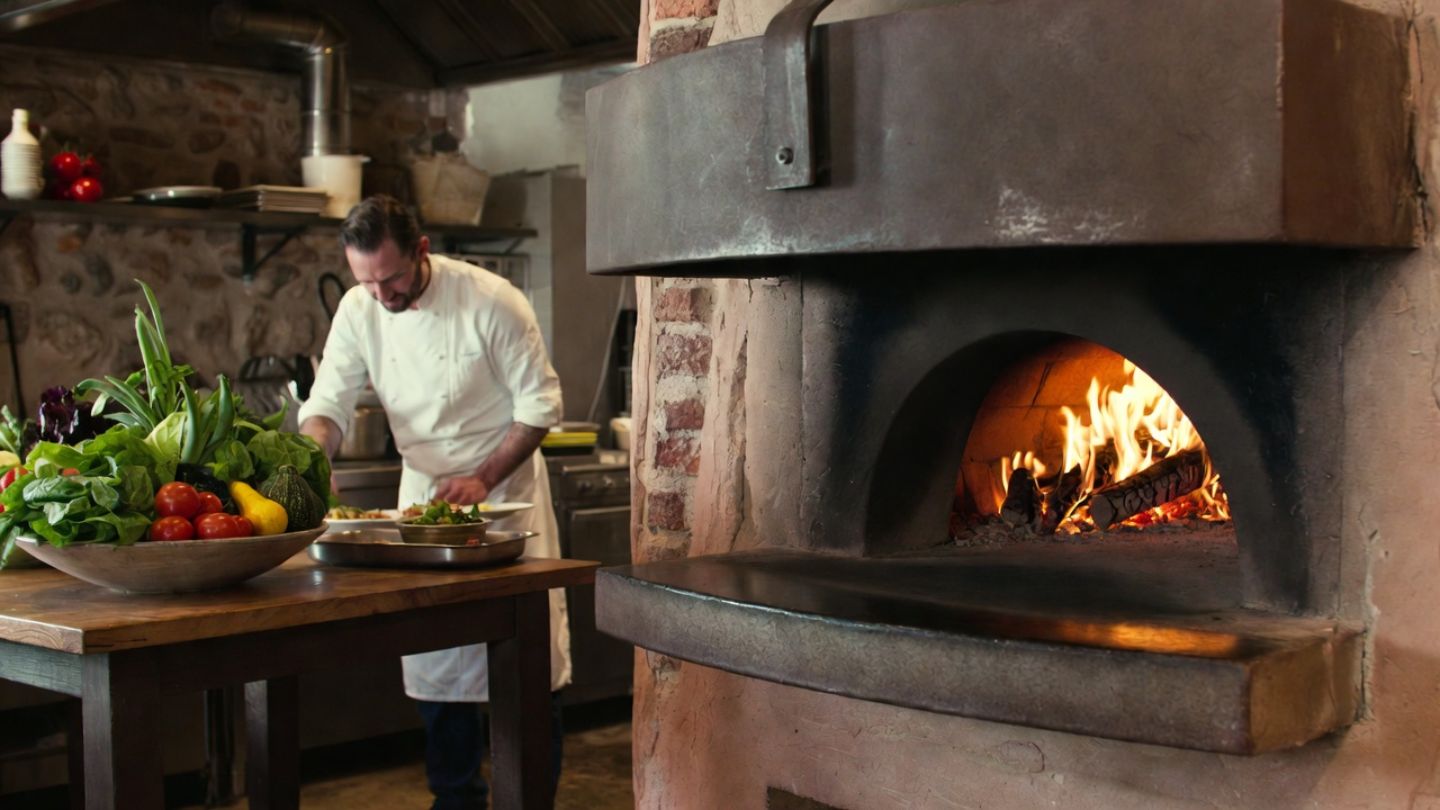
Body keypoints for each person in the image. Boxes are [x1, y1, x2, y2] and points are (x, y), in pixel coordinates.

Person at [298, 194, 570, 810]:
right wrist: (315, 459)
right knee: (439, 666)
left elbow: (540, 407)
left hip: (506, 500)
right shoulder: (360, 308)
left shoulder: (492, 300)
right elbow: (328, 404)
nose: (382, 295)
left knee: (526, 669)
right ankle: (455, 801)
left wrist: (483, 477)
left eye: (391, 279)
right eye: (367, 281)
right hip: (423, 502)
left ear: (421, 250)